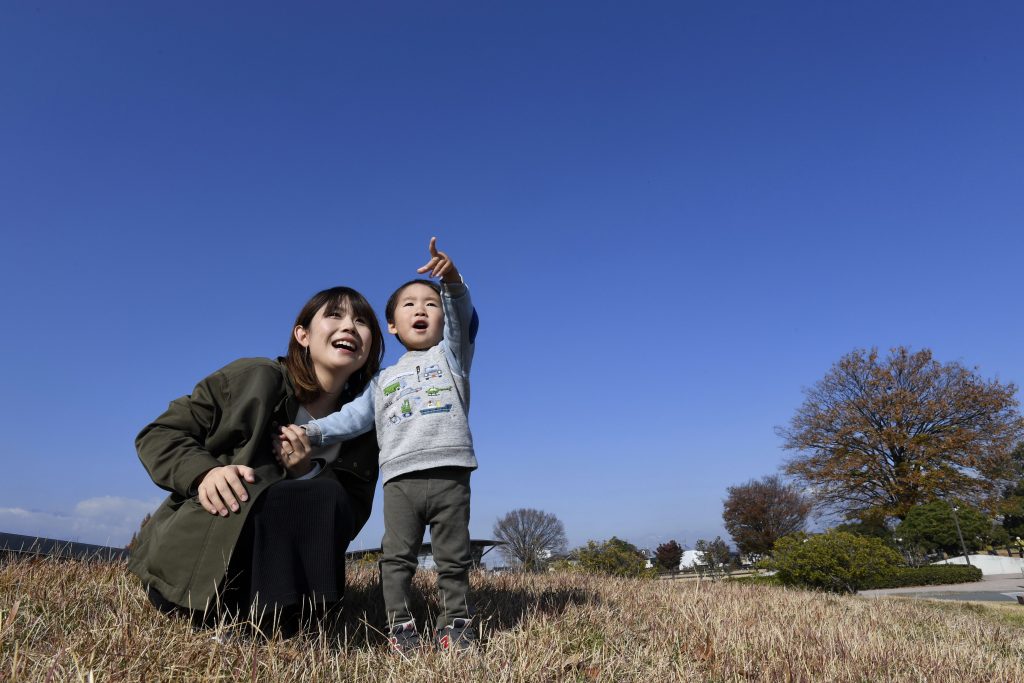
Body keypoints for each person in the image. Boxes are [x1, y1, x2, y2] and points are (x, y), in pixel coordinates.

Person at [128, 286, 385, 638]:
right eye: (334, 315)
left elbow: (347, 517)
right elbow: (158, 433)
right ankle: (229, 616)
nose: (350, 327)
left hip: (285, 594)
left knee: (325, 495)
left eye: (362, 322)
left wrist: (306, 472)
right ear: (303, 334)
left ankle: (279, 625)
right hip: (200, 568)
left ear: (370, 345)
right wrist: (205, 473)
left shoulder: (366, 429)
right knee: (262, 488)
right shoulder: (253, 378)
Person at [276, 237, 480, 652]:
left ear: (443, 319)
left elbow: (462, 316)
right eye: (409, 304)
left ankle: (456, 624)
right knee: (397, 558)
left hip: (450, 474)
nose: (421, 309)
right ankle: (401, 627)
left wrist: (453, 282)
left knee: (452, 558)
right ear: (391, 325)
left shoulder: (452, 358)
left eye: (431, 303)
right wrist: (312, 433)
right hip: (400, 480)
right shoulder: (382, 380)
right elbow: (351, 419)